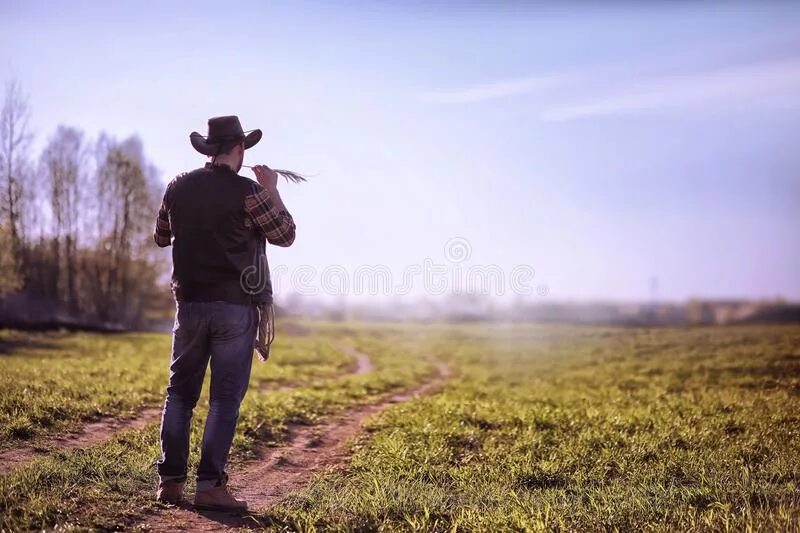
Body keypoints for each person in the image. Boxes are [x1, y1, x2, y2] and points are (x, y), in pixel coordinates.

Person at [152, 115, 296, 511]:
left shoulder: (177, 187)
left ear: (208, 150)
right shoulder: (250, 192)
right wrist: (273, 192)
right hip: (234, 307)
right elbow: (285, 234)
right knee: (224, 400)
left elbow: (161, 236)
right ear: (240, 150)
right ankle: (210, 486)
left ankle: (170, 483)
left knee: (179, 395)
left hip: (190, 305)